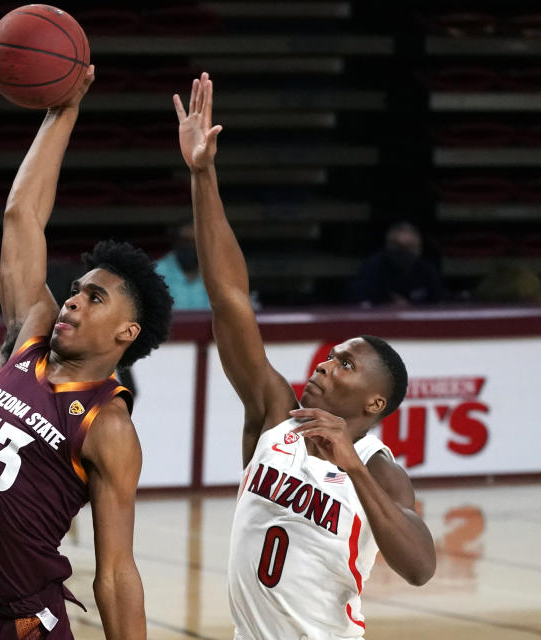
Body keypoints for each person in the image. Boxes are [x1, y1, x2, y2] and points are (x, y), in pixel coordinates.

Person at [0, 65, 173, 640]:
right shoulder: (30, 338)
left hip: (18, 626)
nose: (73, 301)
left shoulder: (108, 425)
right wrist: (63, 110)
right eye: (76, 290)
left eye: (93, 298)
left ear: (127, 332)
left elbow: (117, 572)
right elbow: (21, 217)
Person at [174, 73, 435, 639]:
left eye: (344, 363)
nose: (323, 363)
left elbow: (419, 568)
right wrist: (202, 174)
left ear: (375, 400)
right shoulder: (275, 416)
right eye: (330, 355)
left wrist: (353, 467)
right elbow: (229, 298)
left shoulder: (384, 473)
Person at [352, 221, 444, 306]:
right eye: (398, 248)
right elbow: (360, 301)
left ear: (419, 248)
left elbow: (439, 302)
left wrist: (411, 306)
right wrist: (387, 305)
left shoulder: (426, 270)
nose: (404, 254)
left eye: (410, 248)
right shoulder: (372, 268)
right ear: (388, 246)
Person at [154, 222, 211, 310]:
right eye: (186, 241)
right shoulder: (156, 272)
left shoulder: (214, 273)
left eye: (195, 242)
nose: (191, 247)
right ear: (175, 242)